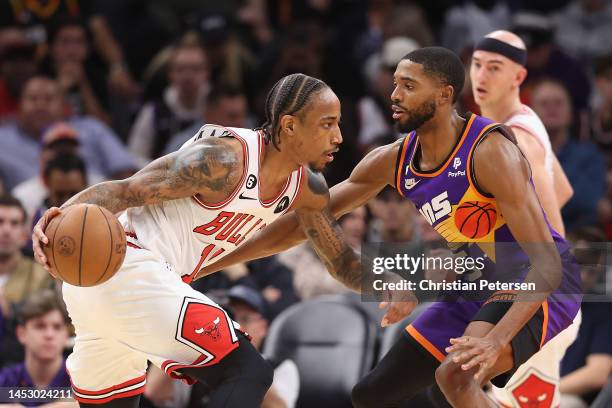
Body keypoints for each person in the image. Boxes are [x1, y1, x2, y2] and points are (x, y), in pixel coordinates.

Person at [199, 47, 583, 407]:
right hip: (479, 281)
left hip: (539, 279)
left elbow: (545, 263)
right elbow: (306, 221)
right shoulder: (392, 159)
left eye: (409, 86)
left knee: (455, 376)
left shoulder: (489, 151)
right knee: (370, 395)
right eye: (396, 83)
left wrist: (496, 340)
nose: (395, 94)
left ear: (445, 95)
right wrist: (207, 263)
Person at [32, 73, 413, 407]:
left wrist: (387, 281)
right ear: (290, 125)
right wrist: (56, 222)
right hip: (128, 265)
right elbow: (124, 190)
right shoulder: (222, 159)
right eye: (327, 124)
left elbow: (340, 259)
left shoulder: (306, 189)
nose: (339, 137)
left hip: (102, 294)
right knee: (247, 371)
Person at [470, 30, 581, 407]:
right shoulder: (522, 122)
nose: (482, 77)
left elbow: (554, 240)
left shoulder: (518, 139)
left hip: (539, 300)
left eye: (495, 68)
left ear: (519, 77)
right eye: (477, 65)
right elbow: (562, 188)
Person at [0, 289, 77, 408]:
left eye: (57, 327)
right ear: (22, 333)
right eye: (40, 326)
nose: (49, 335)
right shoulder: (7, 379)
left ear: (66, 335)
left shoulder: (79, 377)